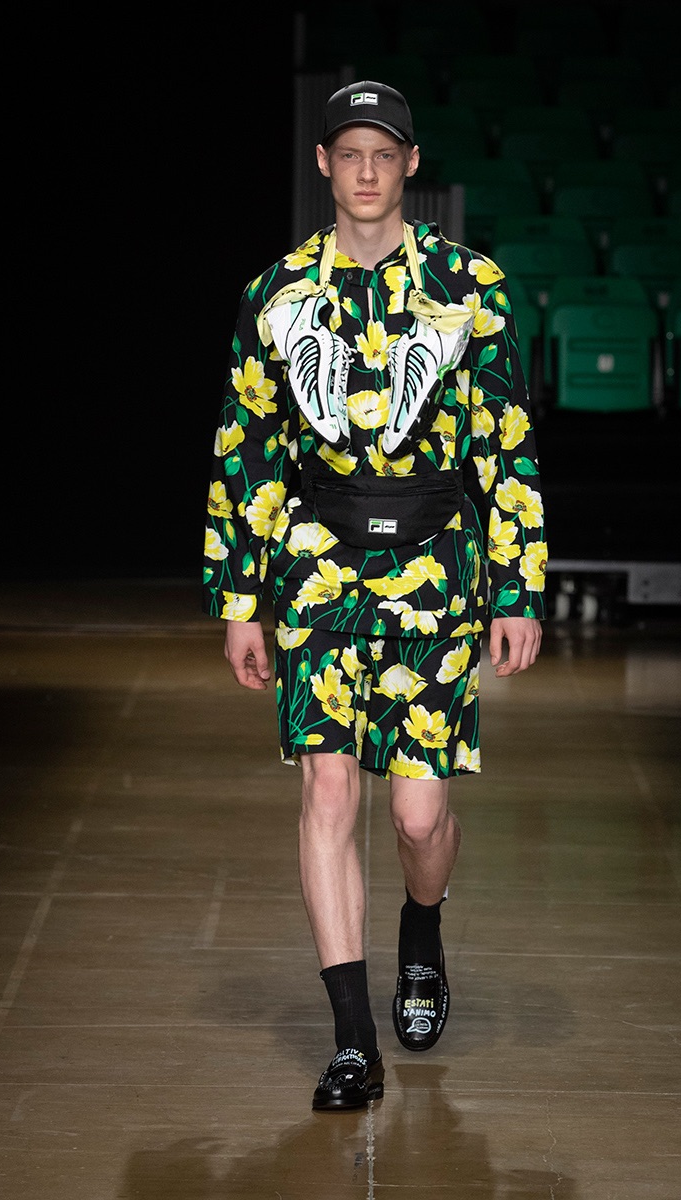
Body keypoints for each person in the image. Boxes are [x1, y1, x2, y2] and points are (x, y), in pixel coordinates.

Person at [203, 81, 546, 1112]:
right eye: (347, 152)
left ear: (409, 165)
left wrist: (518, 586)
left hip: (435, 564)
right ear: (323, 163)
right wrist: (239, 597)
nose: (364, 170)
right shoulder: (276, 294)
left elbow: (506, 442)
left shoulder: (468, 285)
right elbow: (247, 447)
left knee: (417, 813)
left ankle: (422, 925)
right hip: (314, 560)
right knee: (326, 791)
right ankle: (353, 1040)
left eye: (382, 154)